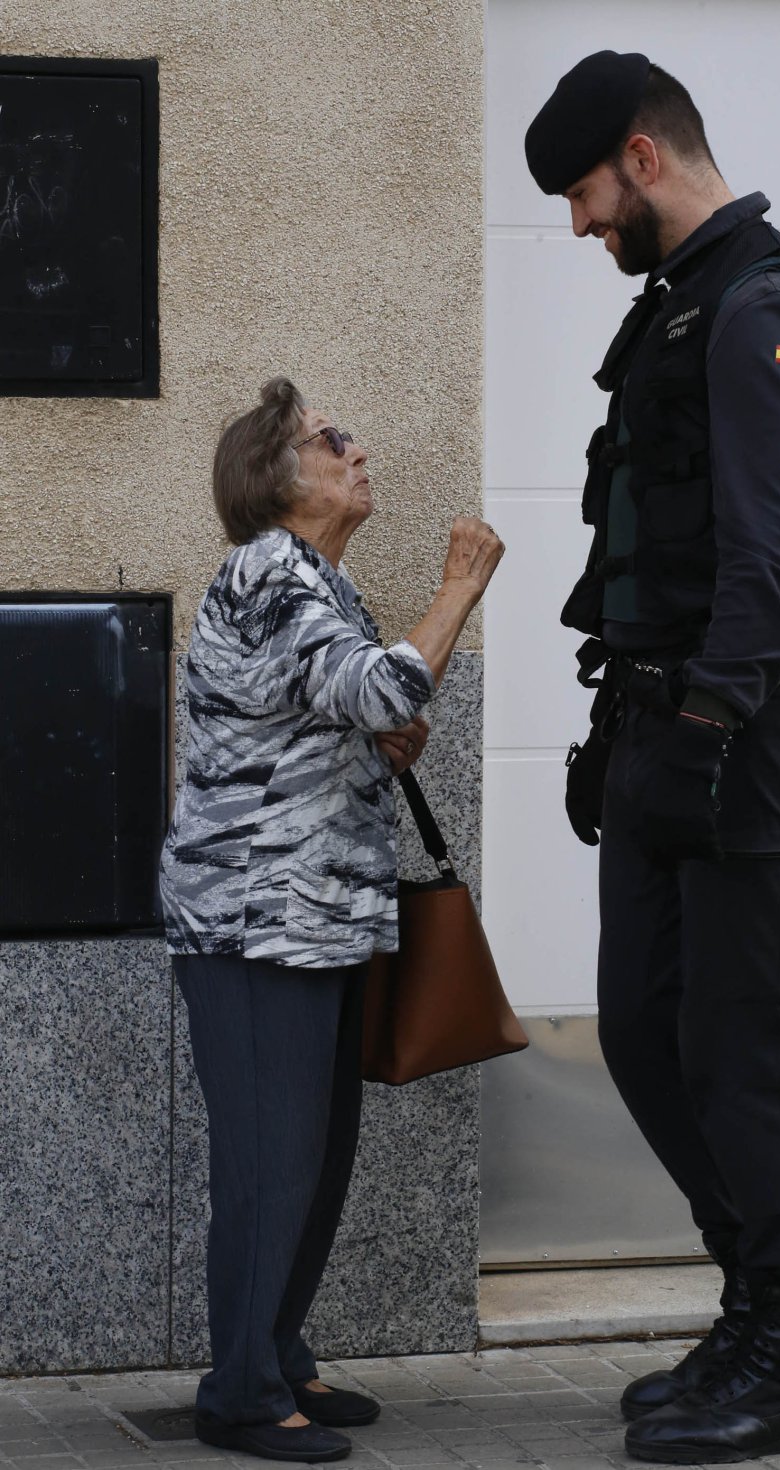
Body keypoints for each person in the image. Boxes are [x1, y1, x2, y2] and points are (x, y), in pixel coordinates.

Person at [525, 52, 780, 1464]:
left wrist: (704, 734)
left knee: (749, 1050)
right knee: (645, 1027)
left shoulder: (763, 312)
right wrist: (625, 733)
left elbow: (772, 561)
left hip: (760, 732)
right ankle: (756, 1302)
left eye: (580, 191)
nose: (574, 225)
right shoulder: (682, 310)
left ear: (642, 153)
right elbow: (659, 554)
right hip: (672, 724)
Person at [159, 377, 504, 1464]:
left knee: (315, 1153)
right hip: (257, 916)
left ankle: (277, 1353)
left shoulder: (319, 582)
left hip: (316, 914)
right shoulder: (267, 569)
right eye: (328, 440)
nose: (356, 450)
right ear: (277, 479)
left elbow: (346, 707)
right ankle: (241, 1395)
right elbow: (380, 689)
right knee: (272, 1160)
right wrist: (456, 589)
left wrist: (380, 737)